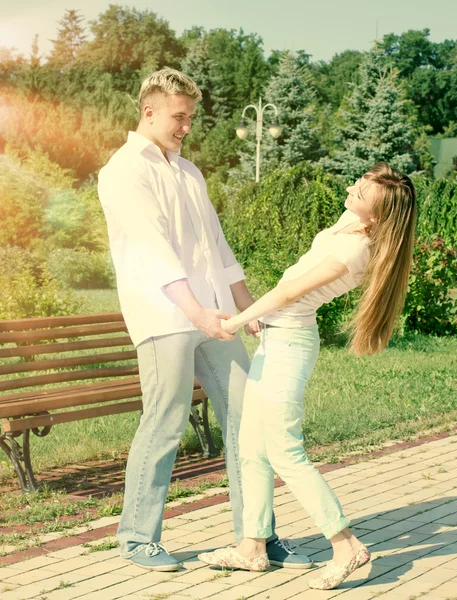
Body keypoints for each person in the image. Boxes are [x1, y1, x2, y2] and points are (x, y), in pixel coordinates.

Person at [97, 67, 312, 572]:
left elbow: (216, 248)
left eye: (190, 117)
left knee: (247, 421)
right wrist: (197, 311)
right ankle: (136, 539)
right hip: (165, 317)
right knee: (165, 422)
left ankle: (256, 536)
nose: (186, 126)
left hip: (214, 317)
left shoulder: (189, 172)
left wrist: (247, 307)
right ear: (149, 111)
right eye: (179, 116)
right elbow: (153, 253)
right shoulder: (125, 170)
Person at [199, 162, 417, 590]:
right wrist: (378, 185)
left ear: (376, 217)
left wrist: (235, 320)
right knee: (251, 447)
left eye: (361, 193)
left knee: (284, 451)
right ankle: (252, 548)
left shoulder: (353, 252)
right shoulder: (352, 223)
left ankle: (346, 545)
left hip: (290, 347)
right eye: (358, 182)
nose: (351, 189)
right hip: (276, 340)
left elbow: (287, 292)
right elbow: (286, 290)